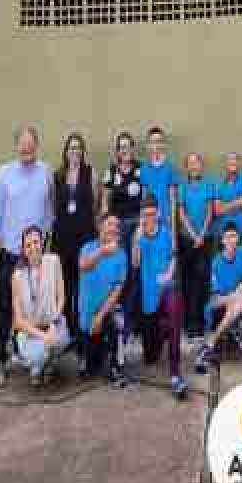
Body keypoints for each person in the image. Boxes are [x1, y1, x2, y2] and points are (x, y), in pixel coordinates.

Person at [0, 125, 54, 390]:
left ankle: (37, 361)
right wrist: (2, 244)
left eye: (31, 144)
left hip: (36, 255)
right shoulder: (3, 175)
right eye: (22, 145)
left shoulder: (46, 172)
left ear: (37, 145)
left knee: (36, 308)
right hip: (11, 254)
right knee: (5, 307)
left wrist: (44, 241)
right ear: (16, 146)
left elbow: (50, 211)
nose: (27, 149)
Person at [134, 195, 188, 399]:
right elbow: (135, 263)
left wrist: (168, 274)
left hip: (165, 288)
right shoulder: (139, 235)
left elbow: (173, 257)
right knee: (150, 357)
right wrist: (137, 239)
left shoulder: (166, 233)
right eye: (145, 215)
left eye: (152, 214)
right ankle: (162, 332)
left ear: (158, 213)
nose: (149, 218)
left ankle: (176, 372)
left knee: (174, 313)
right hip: (148, 295)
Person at [52, 132, 100, 337]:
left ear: (83, 151)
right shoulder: (57, 175)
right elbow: (53, 205)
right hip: (63, 237)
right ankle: (67, 330)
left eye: (79, 148)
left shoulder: (91, 173)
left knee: (83, 284)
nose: (75, 151)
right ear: (66, 151)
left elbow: (95, 203)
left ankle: (82, 330)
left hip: (84, 236)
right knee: (64, 284)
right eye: (72, 148)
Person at [195, 226, 242, 373]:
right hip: (216, 309)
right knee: (240, 296)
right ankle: (221, 337)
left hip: (235, 308)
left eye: (234, 236)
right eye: (228, 236)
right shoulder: (216, 263)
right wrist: (234, 297)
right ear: (223, 241)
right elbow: (214, 300)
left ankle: (212, 343)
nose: (231, 240)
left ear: (238, 239)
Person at [11, 225, 68, 387]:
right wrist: (43, 336)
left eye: (36, 242)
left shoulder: (54, 261)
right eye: (28, 245)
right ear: (23, 249)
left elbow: (61, 297)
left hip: (52, 323)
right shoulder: (17, 276)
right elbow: (18, 321)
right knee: (37, 355)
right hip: (31, 331)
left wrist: (53, 324)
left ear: (42, 242)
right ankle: (36, 367)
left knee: (59, 341)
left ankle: (50, 363)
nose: (33, 247)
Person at [100, 131, 144, 337]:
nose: (125, 150)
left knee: (136, 272)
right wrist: (106, 229)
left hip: (137, 225)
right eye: (121, 147)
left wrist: (141, 228)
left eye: (128, 146)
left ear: (133, 149)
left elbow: (146, 200)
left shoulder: (141, 170)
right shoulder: (111, 171)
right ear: (117, 151)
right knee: (120, 272)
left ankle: (134, 321)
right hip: (117, 228)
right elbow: (104, 203)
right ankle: (119, 320)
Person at [77, 216, 128, 387]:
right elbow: (83, 266)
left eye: (116, 225)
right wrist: (102, 252)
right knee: (91, 369)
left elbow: (117, 290)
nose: (113, 228)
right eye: (109, 224)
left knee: (118, 322)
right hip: (88, 314)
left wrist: (100, 316)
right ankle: (91, 356)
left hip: (106, 312)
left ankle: (115, 366)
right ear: (100, 227)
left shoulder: (121, 254)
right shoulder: (87, 248)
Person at [178, 152, 215, 338]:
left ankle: (200, 323)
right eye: (190, 163)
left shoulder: (208, 185)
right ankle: (189, 324)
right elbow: (181, 213)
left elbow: (210, 212)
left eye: (197, 162)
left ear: (201, 165)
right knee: (187, 282)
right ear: (186, 167)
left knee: (202, 282)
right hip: (187, 240)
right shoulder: (182, 187)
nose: (194, 166)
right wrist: (193, 235)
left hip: (205, 239)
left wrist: (201, 235)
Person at [140, 125, 180, 235]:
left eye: (159, 142)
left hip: (166, 219)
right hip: (150, 220)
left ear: (164, 144)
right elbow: (144, 197)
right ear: (148, 145)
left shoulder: (170, 168)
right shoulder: (144, 169)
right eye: (152, 142)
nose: (156, 145)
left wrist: (173, 229)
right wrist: (143, 221)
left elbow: (173, 200)